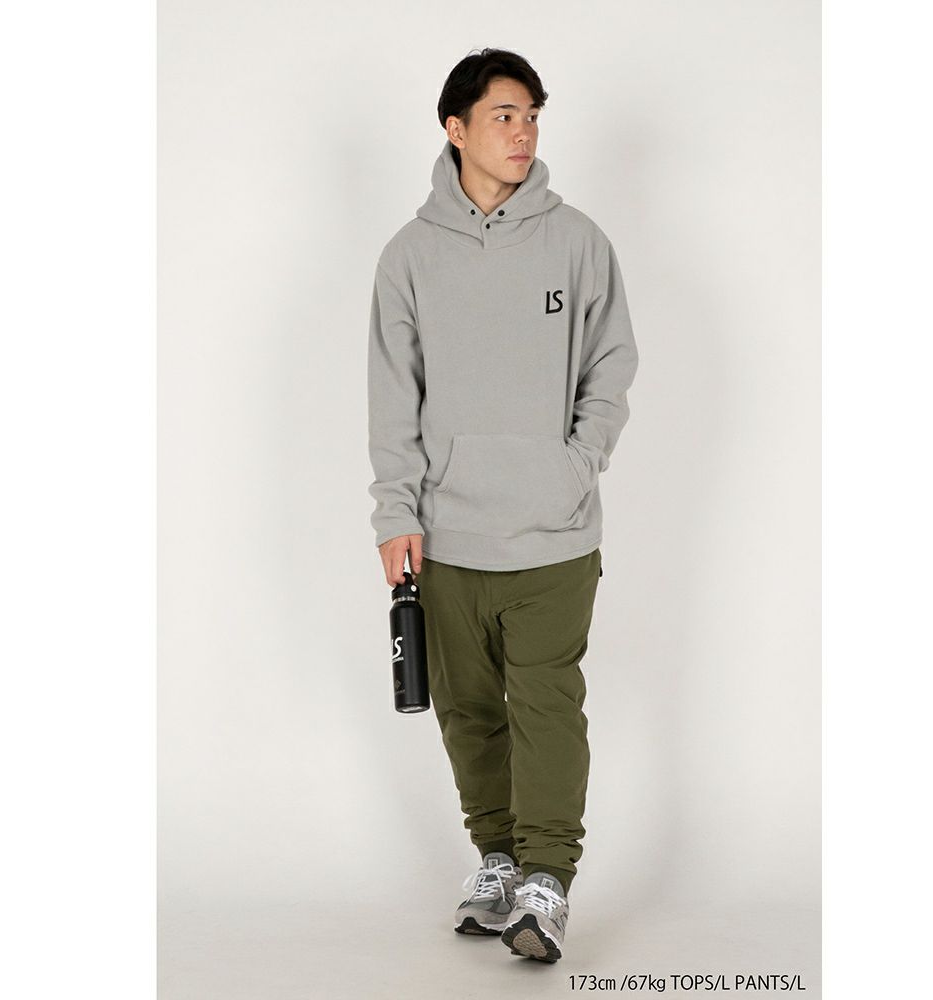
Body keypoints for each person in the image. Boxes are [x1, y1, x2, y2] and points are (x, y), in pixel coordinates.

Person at [366, 47, 639, 963]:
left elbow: (612, 363)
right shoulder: (409, 256)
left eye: (531, 116)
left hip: (555, 534)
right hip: (448, 534)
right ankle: (498, 859)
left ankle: (547, 879)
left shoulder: (578, 242)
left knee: (548, 707)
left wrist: (578, 464)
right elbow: (392, 395)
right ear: (456, 128)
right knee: (468, 709)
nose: (523, 133)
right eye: (503, 116)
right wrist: (395, 513)